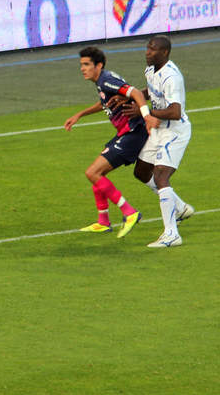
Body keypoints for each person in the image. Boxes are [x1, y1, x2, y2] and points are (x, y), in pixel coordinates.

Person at [63, 46, 149, 237]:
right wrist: (80, 114)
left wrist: (147, 116)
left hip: (134, 133)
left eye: (86, 64)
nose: (82, 68)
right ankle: (103, 221)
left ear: (98, 65)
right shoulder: (102, 82)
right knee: (97, 174)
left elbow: (136, 93)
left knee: (92, 172)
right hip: (125, 133)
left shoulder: (107, 79)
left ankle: (130, 212)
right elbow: (104, 102)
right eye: (81, 65)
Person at [133, 35, 194, 248]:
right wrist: (133, 98)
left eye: (152, 49)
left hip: (175, 132)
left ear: (165, 53)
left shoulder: (172, 77)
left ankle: (171, 234)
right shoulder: (150, 69)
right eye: (148, 48)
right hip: (159, 129)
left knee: (160, 175)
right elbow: (151, 91)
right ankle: (179, 207)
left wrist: (146, 111)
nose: (147, 52)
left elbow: (176, 112)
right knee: (141, 171)